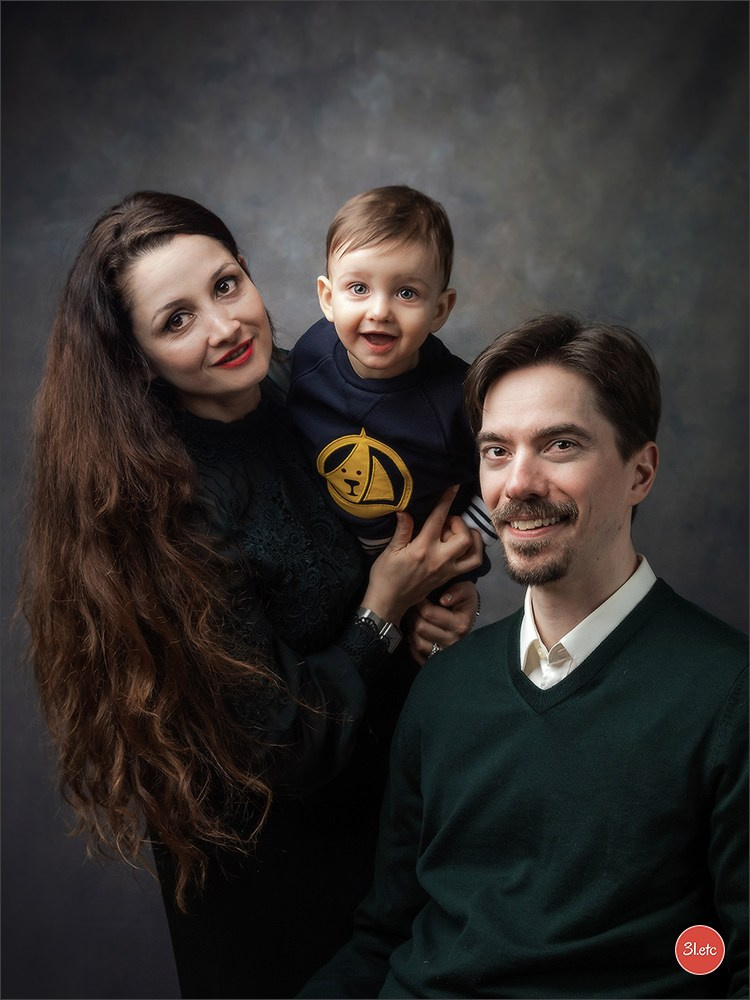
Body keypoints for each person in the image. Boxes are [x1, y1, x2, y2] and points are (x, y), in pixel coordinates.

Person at [19, 191, 484, 999]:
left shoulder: (308, 390)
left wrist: (434, 600)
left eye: (227, 285)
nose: (226, 326)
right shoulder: (163, 506)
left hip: (387, 828)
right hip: (276, 882)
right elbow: (281, 745)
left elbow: (395, 527)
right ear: (135, 358)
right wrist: (383, 606)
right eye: (176, 320)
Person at [300, 313, 749, 999]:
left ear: (641, 472)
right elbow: (384, 938)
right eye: (496, 451)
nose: (517, 484)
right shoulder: (443, 687)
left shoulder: (728, 696)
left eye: (560, 445)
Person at [287, 187, 496, 663]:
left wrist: (468, 540)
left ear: (440, 310)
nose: (379, 310)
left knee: (416, 671)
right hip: (330, 567)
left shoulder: (459, 399)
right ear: (327, 297)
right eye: (358, 288)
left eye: (406, 292)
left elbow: (505, 475)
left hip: (425, 576)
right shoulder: (309, 358)